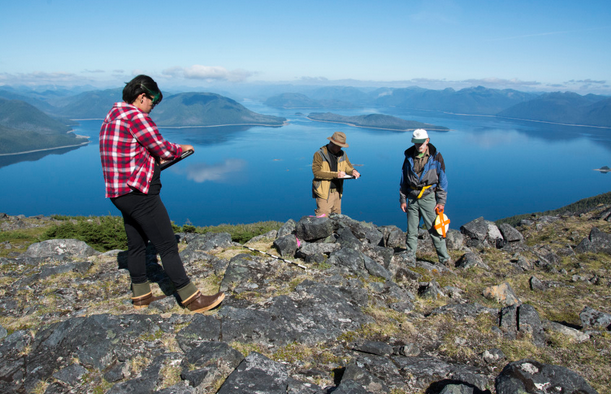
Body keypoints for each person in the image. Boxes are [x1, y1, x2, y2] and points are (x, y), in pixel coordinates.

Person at [99, 75, 225, 312]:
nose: (152, 107)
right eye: (153, 102)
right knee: (167, 245)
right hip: (140, 194)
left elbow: (135, 152)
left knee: (136, 244)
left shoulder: (113, 115)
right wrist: (182, 149)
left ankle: (141, 296)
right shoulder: (136, 117)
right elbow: (162, 148)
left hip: (120, 194)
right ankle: (192, 299)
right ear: (141, 96)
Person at [399, 129, 451, 265]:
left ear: (427, 141)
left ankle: (444, 259)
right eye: (416, 143)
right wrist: (403, 199)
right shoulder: (409, 157)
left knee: (435, 229)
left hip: (428, 198)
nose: (419, 145)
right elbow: (404, 180)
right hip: (412, 198)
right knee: (411, 230)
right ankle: (410, 258)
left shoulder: (436, 157)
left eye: (421, 142)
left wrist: (441, 201)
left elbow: (443, 181)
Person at [312, 131, 360, 216]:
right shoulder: (319, 154)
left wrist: (353, 171)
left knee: (337, 219)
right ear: (331, 142)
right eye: (338, 146)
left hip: (338, 192)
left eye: (341, 146)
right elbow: (317, 173)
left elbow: (347, 166)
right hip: (324, 193)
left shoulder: (342, 154)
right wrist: (336, 175)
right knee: (322, 220)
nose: (340, 148)